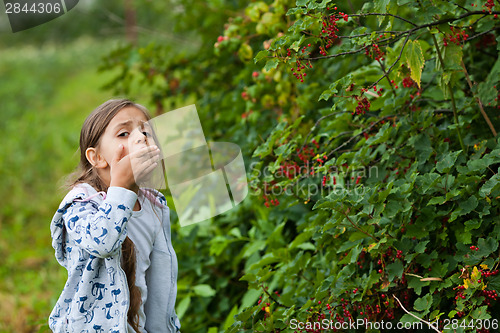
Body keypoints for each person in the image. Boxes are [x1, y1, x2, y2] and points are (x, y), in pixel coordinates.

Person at [48, 99, 181, 332]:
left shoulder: (153, 205)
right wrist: (121, 187)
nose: (140, 138)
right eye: (124, 133)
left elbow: (159, 284)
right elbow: (102, 242)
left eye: (146, 132)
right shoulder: (80, 204)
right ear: (97, 158)